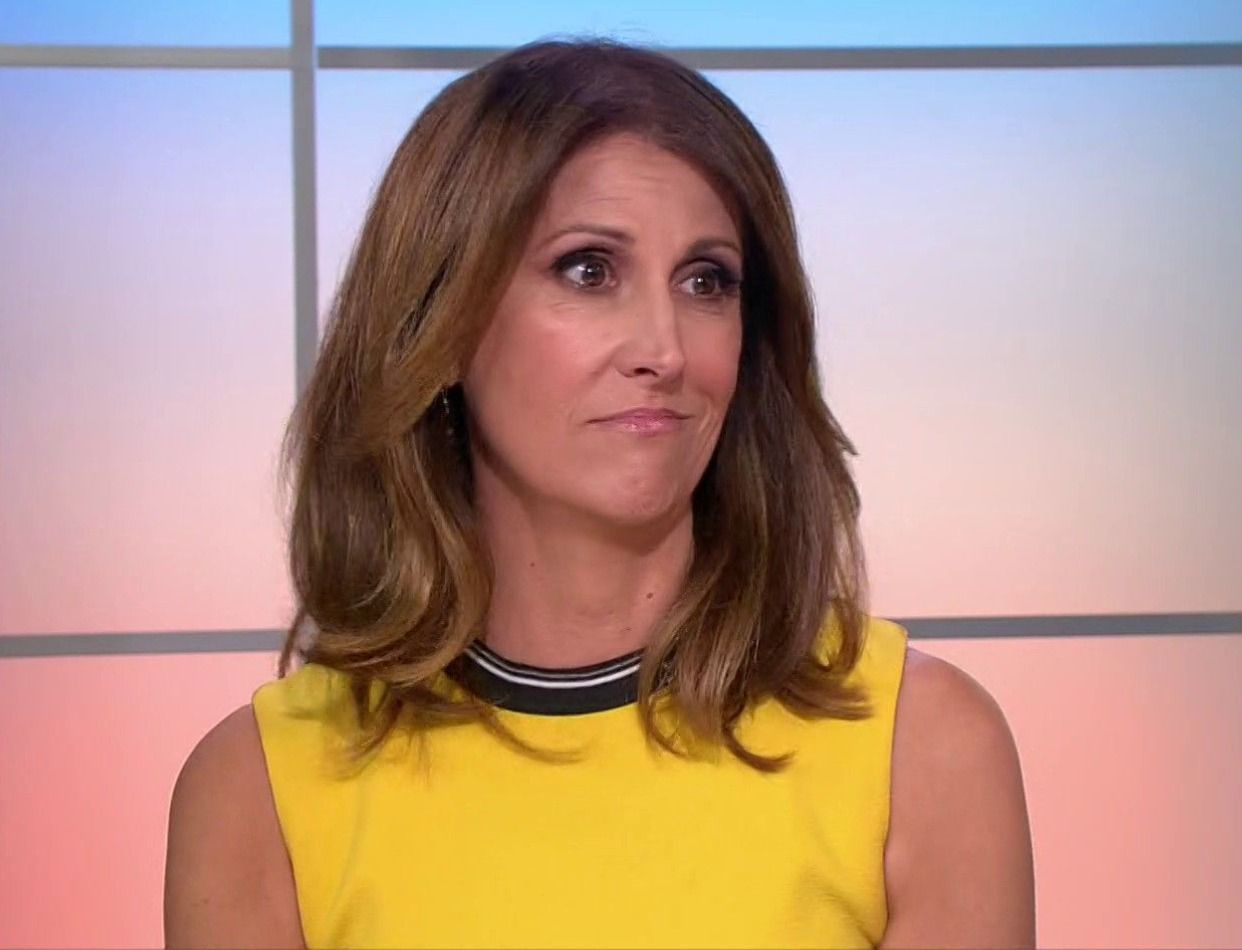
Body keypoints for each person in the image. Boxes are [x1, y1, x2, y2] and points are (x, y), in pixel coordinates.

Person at [164, 38, 1034, 949]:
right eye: (589, 270)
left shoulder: (919, 748)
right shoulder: (259, 792)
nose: (665, 347)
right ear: (440, 323)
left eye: (706, 281)